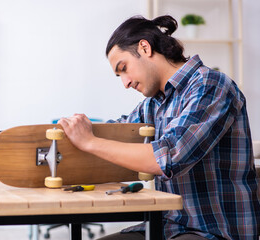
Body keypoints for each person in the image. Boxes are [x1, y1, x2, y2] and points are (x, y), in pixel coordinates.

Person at [58, 15, 260, 240]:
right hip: (166, 226)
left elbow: (168, 157)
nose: (124, 83)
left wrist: (89, 142)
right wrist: (75, 130)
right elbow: (120, 132)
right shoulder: (154, 103)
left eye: (123, 68)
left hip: (213, 231)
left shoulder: (210, 85)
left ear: (144, 47)